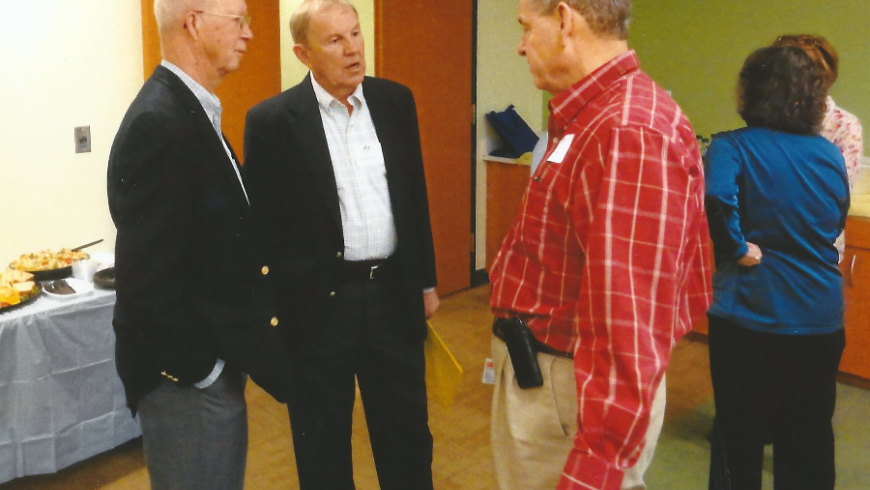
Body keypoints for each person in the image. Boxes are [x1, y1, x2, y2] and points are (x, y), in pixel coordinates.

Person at [488, 1, 712, 489]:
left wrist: (597, 470)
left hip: (570, 394)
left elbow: (629, 326)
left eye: (527, 28)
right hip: (553, 380)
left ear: (566, 20)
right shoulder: (596, 115)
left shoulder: (627, 131)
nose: (521, 45)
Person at [242, 1, 439, 488]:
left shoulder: (395, 101)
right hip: (319, 310)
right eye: (335, 40)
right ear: (303, 54)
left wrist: (426, 281)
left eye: (356, 34)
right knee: (322, 449)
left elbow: (414, 197)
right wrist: (273, 319)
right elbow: (263, 232)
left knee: (408, 442)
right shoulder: (272, 122)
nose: (353, 49)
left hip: (392, 298)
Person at [107, 0, 292, 488]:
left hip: (207, 370)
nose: (249, 33)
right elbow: (146, 282)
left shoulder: (190, 110)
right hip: (186, 384)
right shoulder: (161, 121)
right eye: (239, 20)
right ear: (193, 23)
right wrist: (202, 372)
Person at [704, 46, 849, 490]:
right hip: (819, 319)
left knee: (738, 434)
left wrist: (735, 246)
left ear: (752, 90)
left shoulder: (730, 146)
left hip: (750, 315)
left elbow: (715, 198)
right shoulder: (828, 153)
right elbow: (835, 216)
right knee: (808, 439)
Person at [772, 34, 863, 258]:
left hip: (815, 251)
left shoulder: (845, 126)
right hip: (760, 249)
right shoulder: (767, 120)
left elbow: (834, 194)